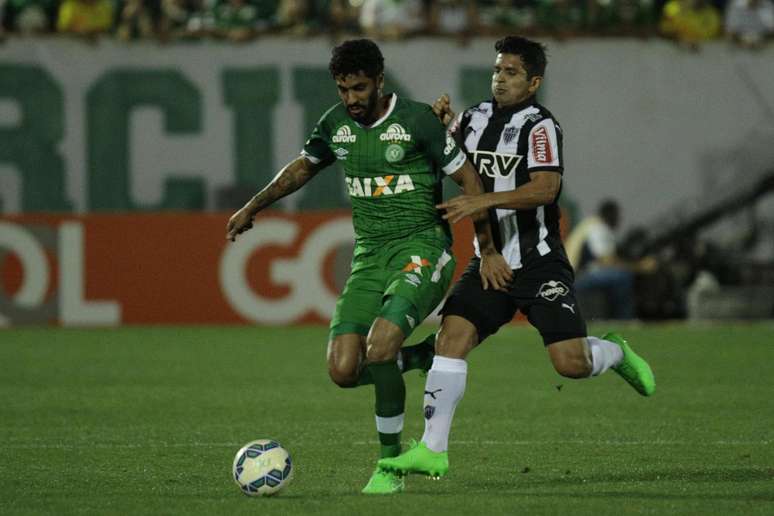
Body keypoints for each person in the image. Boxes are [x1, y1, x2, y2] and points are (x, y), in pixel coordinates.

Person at [226, 39, 512, 494]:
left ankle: (389, 466)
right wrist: (253, 206)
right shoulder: (335, 125)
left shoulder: (417, 120)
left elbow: (470, 179)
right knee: (342, 370)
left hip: (422, 247)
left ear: (379, 80)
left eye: (359, 88)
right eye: (343, 89)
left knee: (379, 349)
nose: (351, 99)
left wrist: (487, 248)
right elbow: (303, 167)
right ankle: (420, 356)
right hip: (369, 256)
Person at [377, 36, 656, 481]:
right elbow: (455, 160)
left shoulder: (540, 126)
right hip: (489, 260)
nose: (499, 79)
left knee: (570, 363)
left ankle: (613, 353)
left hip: (540, 262)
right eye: (497, 70)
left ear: (533, 83)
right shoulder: (475, 117)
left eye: (511, 73)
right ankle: (432, 450)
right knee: (453, 339)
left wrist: (481, 202)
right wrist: (442, 125)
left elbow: (546, 189)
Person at [566, 199, 657, 319]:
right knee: (622, 276)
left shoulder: (592, 225)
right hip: (575, 277)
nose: (619, 219)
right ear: (611, 215)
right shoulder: (597, 228)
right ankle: (624, 320)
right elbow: (606, 261)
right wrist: (640, 266)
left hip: (577, 274)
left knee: (618, 275)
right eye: (617, 216)